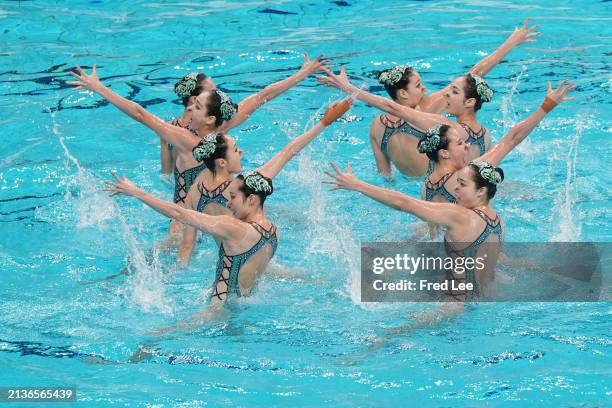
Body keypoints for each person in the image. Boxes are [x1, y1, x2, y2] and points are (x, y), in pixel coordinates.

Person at [323, 80, 575, 298]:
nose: (467, 147)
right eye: (461, 143)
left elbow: (422, 224)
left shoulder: (427, 187)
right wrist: (545, 108)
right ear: (444, 153)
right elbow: (511, 138)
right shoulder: (465, 177)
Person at [104, 97, 352, 307]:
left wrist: (325, 121)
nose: (241, 152)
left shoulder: (216, 191)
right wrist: (138, 193)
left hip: (244, 263)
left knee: (312, 278)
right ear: (222, 162)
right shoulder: (234, 216)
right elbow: (182, 217)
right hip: (225, 301)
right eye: (236, 149)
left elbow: (289, 151)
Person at [354, 19, 540, 177]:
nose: (424, 88)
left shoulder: (376, 126)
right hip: (448, 184)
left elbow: (385, 177)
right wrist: (510, 43)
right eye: (418, 85)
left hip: (420, 190)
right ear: (403, 93)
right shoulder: (427, 111)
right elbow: (474, 75)